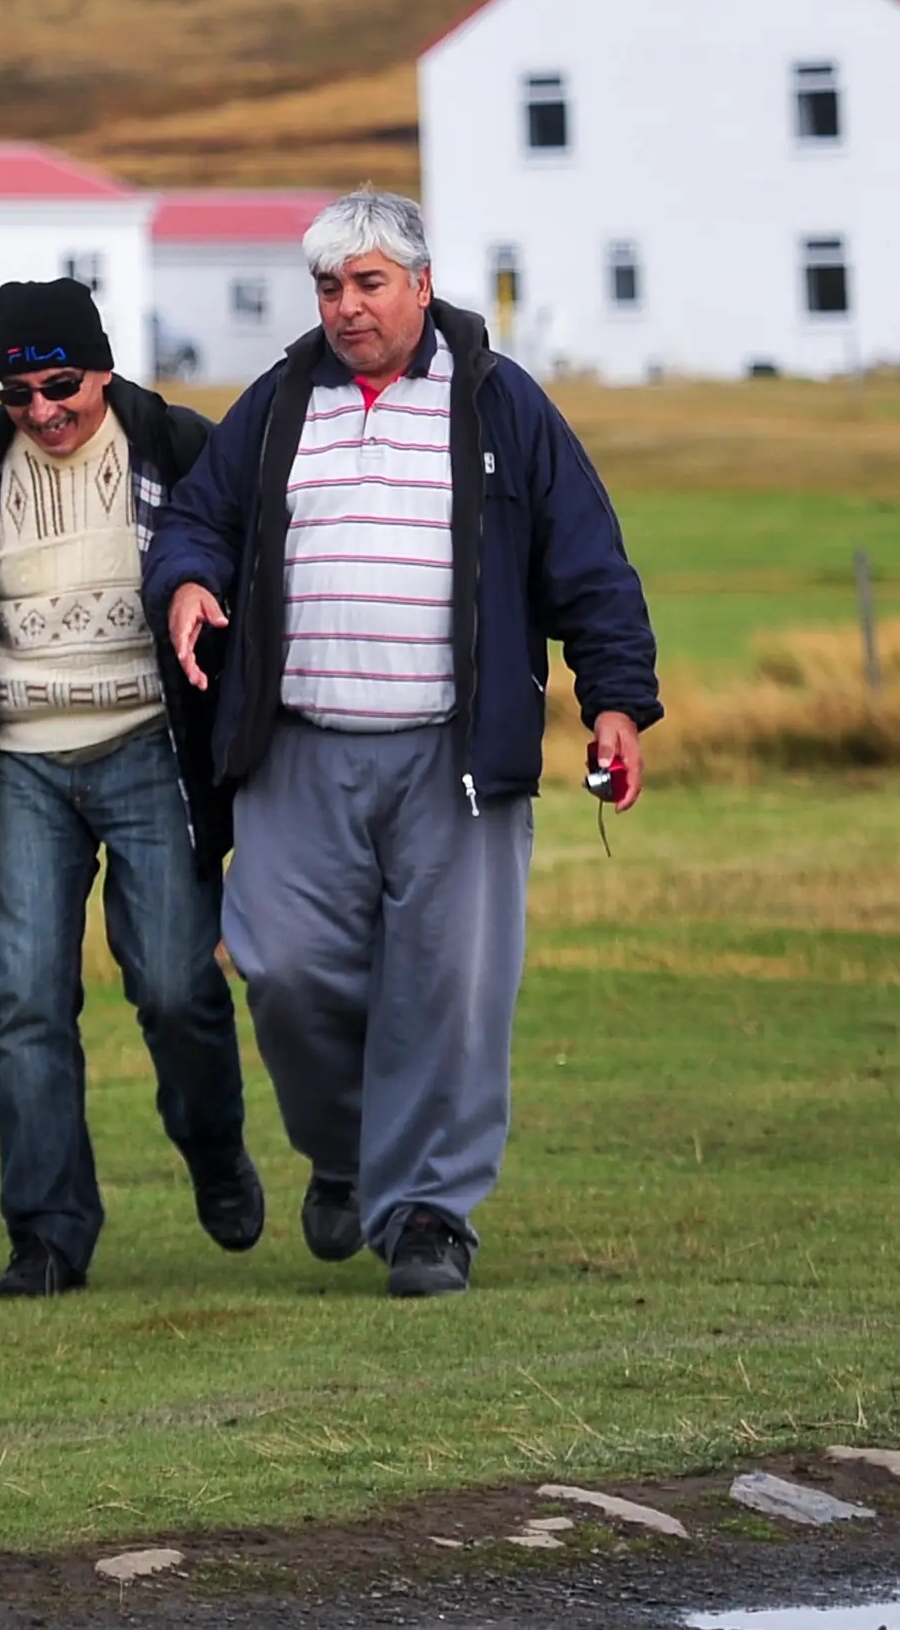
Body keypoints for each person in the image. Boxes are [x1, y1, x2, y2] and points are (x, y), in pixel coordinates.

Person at [146, 191, 660, 1298]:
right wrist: (187, 578)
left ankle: (431, 1212)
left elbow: (589, 561)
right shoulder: (280, 401)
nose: (346, 307)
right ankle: (347, 1152)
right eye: (329, 286)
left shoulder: (498, 403)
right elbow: (201, 515)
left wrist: (615, 699)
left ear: (421, 286)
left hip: (454, 754)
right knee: (280, 964)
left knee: (449, 986)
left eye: (369, 283)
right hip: (298, 745)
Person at [0, 277, 266, 1298]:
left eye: (62, 384)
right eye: (18, 392)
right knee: (24, 1002)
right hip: (18, 764)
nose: (44, 410)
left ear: (102, 367)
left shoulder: (182, 448)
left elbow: (255, 571)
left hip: (148, 743)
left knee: (178, 983)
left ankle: (212, 1145)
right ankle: (48, 1232)